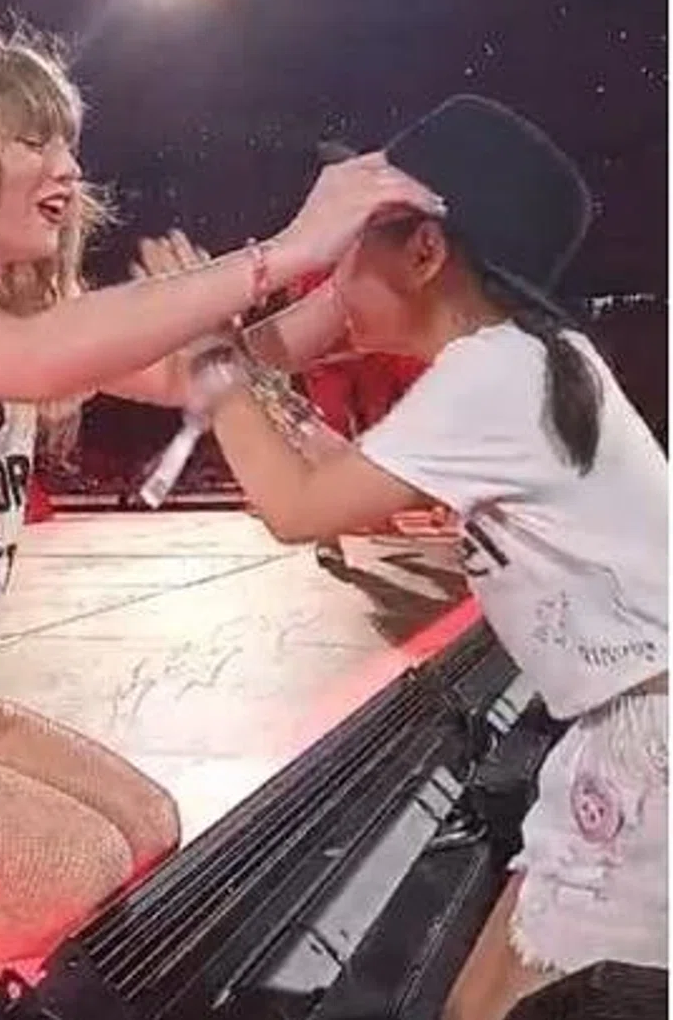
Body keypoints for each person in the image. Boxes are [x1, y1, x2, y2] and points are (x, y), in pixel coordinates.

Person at [0, 25, 444, 960]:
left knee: (147, 831)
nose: (68, 168)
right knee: (64, 877)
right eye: (34, 141)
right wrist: (283, 251)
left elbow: (213, 373)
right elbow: (35, 360)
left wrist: (353, 293)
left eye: (69, 142)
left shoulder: (10, 318)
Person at [180, 96, 666, 1020]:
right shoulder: (526, 361)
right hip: (628, 728)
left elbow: (293, 507)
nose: (329, 279)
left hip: (649, 742)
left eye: (349, 248)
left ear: (426, 252)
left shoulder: (492, 374)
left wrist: (208, 354)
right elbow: (332, 469)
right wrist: (227, 363)